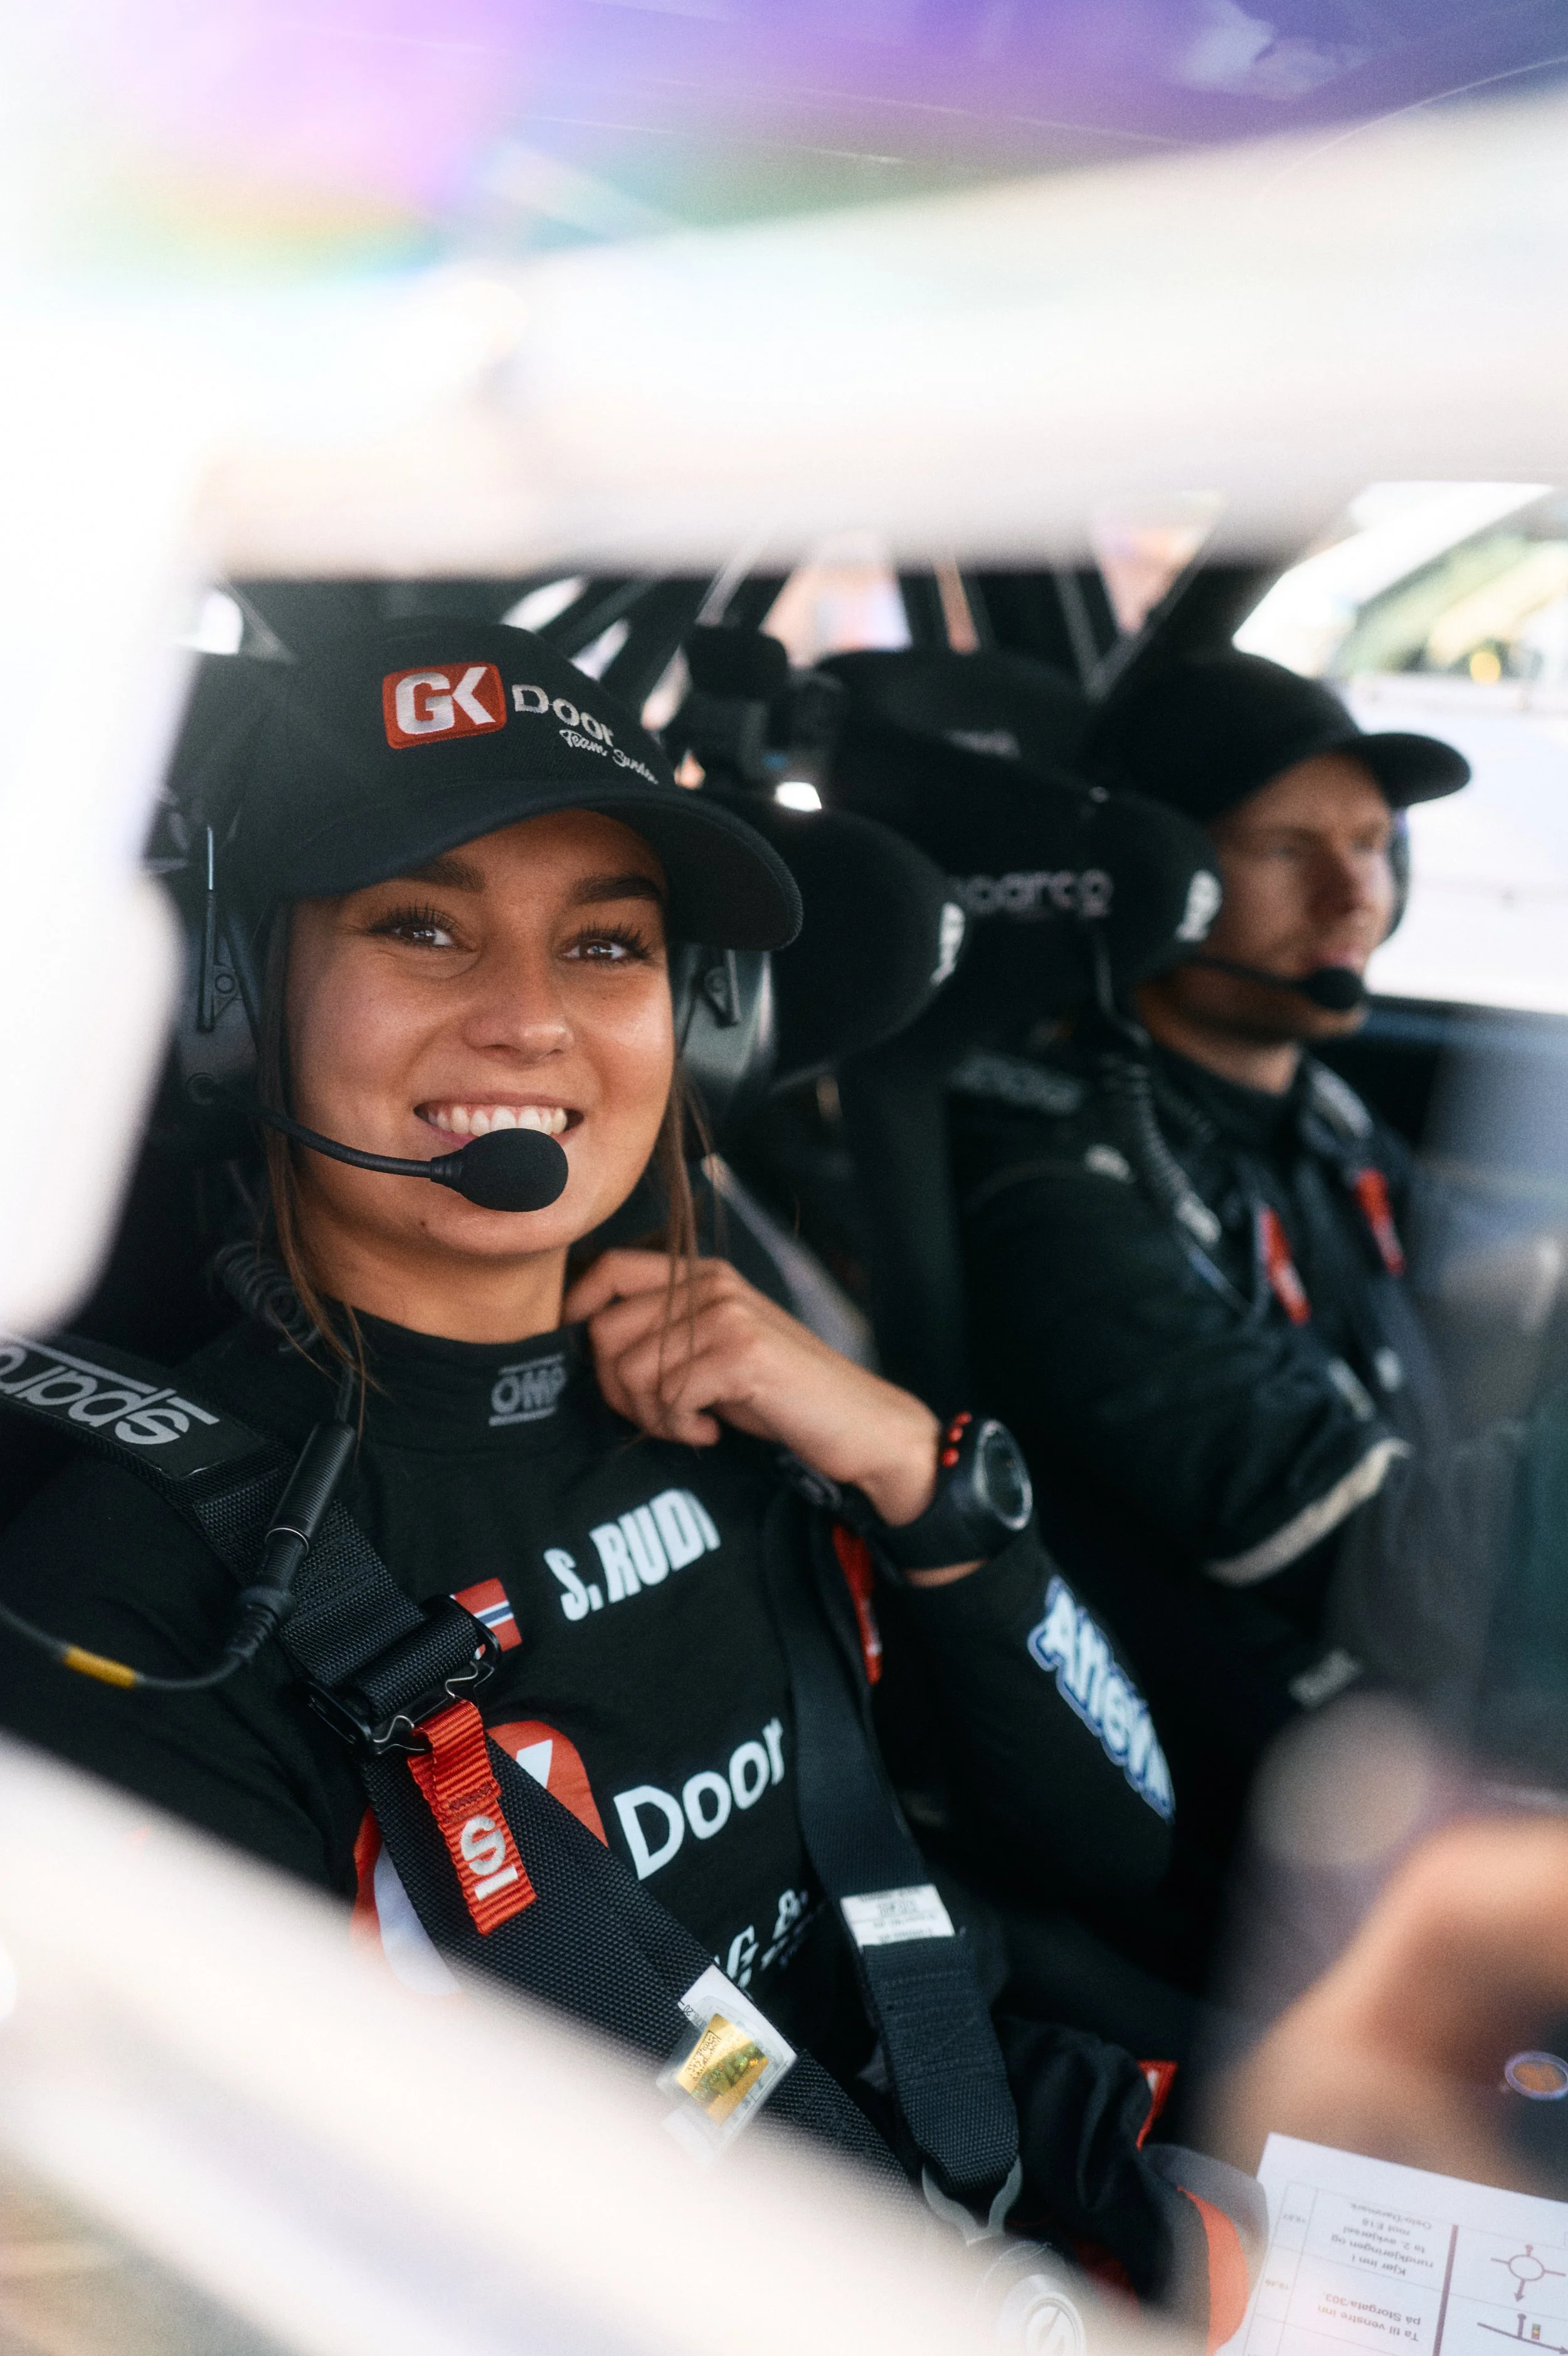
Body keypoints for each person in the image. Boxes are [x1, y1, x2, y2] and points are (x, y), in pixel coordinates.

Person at [0, 620, 1251, 2320]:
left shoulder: (751, 1407)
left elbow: (1119, 1832)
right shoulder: (142, 1608)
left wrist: (910, 1460)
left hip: (992, 2169)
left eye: (605, 945)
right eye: (421, 925)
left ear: (702, 1023)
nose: (526, 1018)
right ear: (234, 991)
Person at [949, 650, 1537, 1883]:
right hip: (1294, 1795)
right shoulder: (1061, 1189)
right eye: (1283, 850)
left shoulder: (1312, 1114)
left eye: (1374, 845)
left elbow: (1500, 1290)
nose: (1352, 894)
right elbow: (1378, 1561)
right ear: (1152, 883)